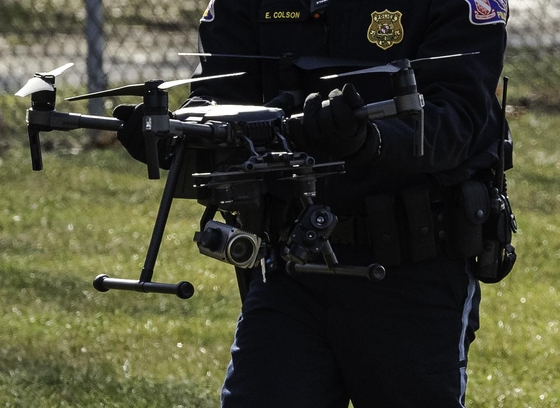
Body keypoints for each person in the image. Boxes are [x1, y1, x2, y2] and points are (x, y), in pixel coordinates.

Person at [115, 0, 510, 406]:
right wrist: (175, 136)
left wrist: (369, 139)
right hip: (291, 266)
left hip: (412, 267)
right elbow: (220, 99)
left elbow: (457, 117)